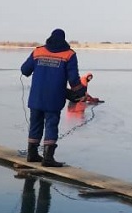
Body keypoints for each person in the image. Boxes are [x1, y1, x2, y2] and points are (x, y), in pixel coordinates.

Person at [21, 29, 86, 167]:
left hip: (36, 96)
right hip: (54, 97)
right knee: (51, 124)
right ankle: (48, 158)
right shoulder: (69, 54)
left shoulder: (38, 51)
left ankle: (32, 154)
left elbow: (24, 70)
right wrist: (80, 92)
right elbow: (73, 79)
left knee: (35, 123)